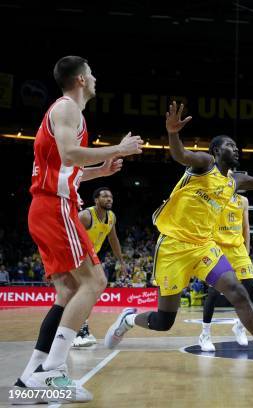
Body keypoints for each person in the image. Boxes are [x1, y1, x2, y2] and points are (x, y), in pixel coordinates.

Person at [105, 101, 253, 380]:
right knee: (164, 321)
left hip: (203, 246)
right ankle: (128, 319)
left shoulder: (235, 181)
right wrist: (173, 134)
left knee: (238, 291)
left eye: (237, 146)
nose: (235, 149)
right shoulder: (204, 164)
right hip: (174, 246)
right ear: (216, 151)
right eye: (230, 146)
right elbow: (180, 155)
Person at [16, 55, 142, 402]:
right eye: (93, 73)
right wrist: (121, 147)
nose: (96, 78)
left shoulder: (66, 112)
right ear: (82, 79)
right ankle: (54, 372)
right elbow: (70, 154)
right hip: (55, 208)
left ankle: (32, 373)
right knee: (94, 281)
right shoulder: (68, 108)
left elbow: (66, 168)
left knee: (68, 292)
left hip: (46, 206)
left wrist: (100, 172)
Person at [199, 192, 253, 351]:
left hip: (238, 250)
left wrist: (247, 250)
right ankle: (205, 334)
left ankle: (240, 325)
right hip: (218, 248)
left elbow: (246, 227)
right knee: (213, 293)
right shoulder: (212, 197)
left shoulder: (243, 200)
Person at [72, 187, 126, 348]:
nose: (109, 199)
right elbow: (66, 237)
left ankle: (78, 330)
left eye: (110, 196)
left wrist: (121, 261)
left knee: (87, 293)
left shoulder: (111, 217)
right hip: (75, 255)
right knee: (90, 289)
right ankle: (78, 331)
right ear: (96, 200)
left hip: (90, 255)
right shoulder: (85, 216)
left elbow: (113, 239)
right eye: (104, 196)